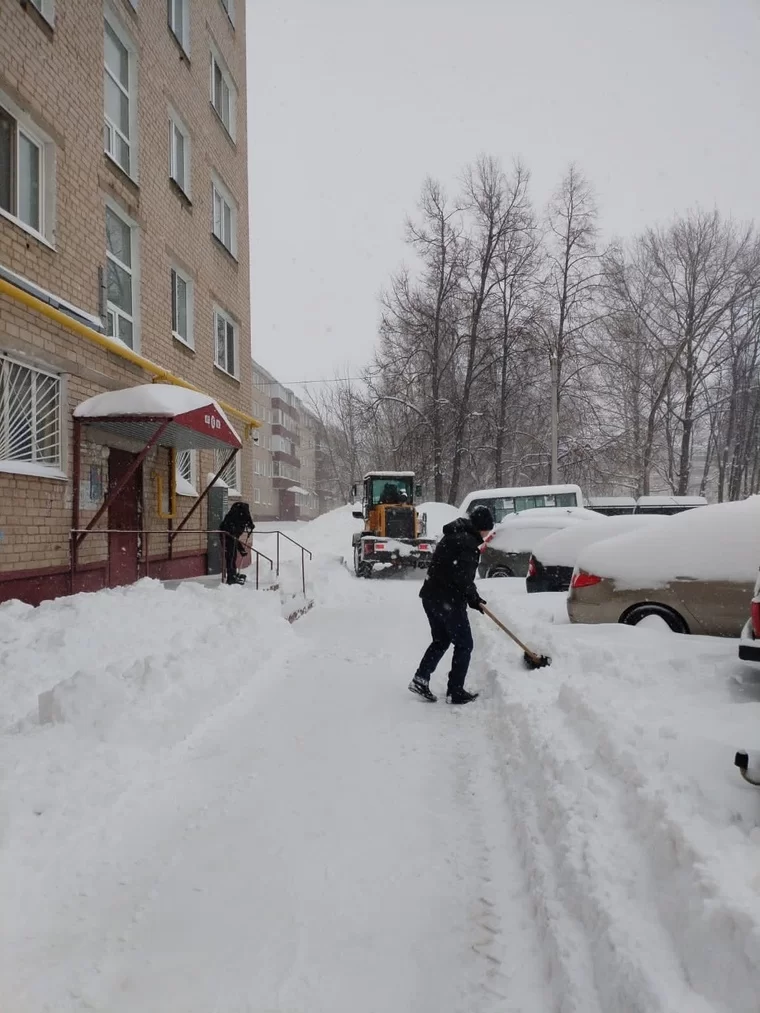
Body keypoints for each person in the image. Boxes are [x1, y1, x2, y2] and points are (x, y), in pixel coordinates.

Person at [408, 505, 495, 704]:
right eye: (488, 528)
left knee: (441, 640)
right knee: (464, 644)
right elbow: (462, 578)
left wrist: (473, 597)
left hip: (431, 596)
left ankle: (421, 678)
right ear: (481, 526)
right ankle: (455, 691)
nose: (488, 532)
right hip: (447, 600)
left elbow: (456, 574)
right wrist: (473, 599)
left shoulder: (455, 535)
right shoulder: (467, 543)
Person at [219, 501, 255, 585]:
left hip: (230, 537)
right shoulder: (236, 519)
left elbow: (235, 538)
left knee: (233, 556)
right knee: (230, 557)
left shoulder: (239, 516)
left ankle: (233, 574)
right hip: (227, 537)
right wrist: (241, 548)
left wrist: (241, 549)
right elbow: (233, 536)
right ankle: (231, 578)